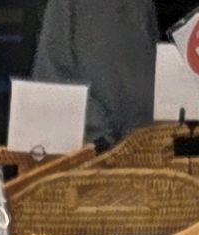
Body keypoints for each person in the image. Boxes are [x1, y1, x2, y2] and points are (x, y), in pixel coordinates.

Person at [32, 0, 166, 144]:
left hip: (148, 144)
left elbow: (151, 67)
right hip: (96, 148)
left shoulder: (143, 4)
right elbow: (51, 75)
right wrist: (97, 134)